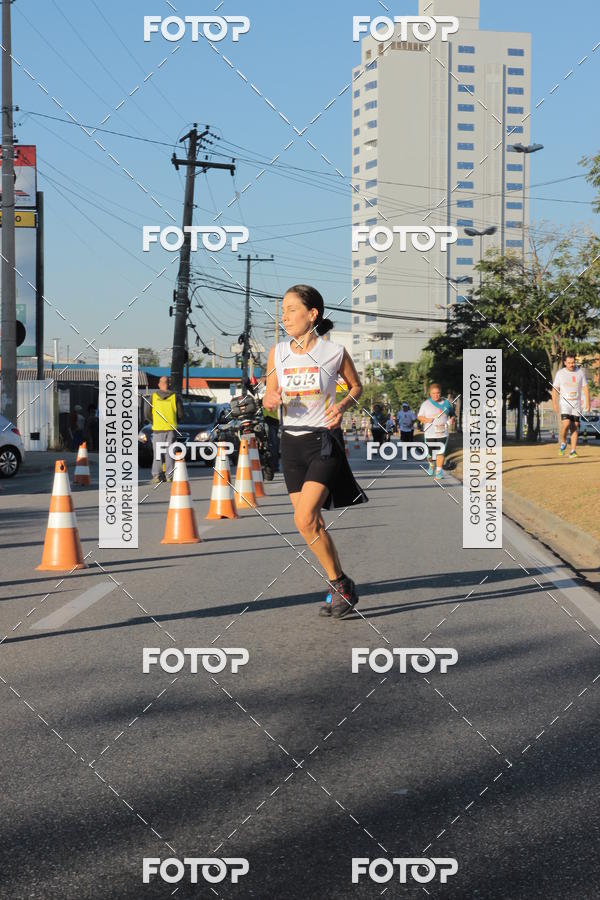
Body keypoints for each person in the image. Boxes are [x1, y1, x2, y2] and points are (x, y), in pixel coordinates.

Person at [263, 284, 368, 620]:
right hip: (291, 444)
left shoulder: (333, 352)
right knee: (310, 523)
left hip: (323, 440)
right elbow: (269, 395)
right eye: (283, 310)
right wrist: (270, 399)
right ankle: (342, 584)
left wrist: (342, 406)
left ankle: (339, 585)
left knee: (304, 517)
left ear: (312, 314)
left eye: (292, 309)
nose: (285, 316)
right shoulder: (278, 352)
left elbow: (356, 386)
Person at [552, 353, 590, 459]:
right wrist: (554, 403)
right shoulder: (560, 374)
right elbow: (555, 389)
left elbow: (585, 388)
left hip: (576, 403)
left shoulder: (580, 373)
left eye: (573, 362)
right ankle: (563, 441)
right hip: (565, 403)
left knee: (575, 426)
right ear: (565, 363)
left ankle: (573, 451)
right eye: (569, 363)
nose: (571, 365)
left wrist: (588, 403)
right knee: (566, 424)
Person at [418, 383, 455, 479]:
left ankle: (439, 472)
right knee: (429, 454)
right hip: (430, 433)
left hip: (443, 432)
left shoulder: (447, 403)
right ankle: (431, 464)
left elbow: (452, 414)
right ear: (430, 393)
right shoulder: (426, 404)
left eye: (438, 393)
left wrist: (452, 419)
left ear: (440, 392)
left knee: (440, 452)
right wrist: (427, 420)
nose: (436, 395)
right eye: (433, 393)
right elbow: (420, 417)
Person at [151, 375, 183, 483]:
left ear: (159, 384)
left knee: (157, 453)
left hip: (157, 429)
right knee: (170, 452)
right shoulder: (175, 396)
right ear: (169, 384)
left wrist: (155, 421)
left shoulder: (153, 396)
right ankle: (170, 475)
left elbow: (147, 413)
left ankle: (157, 475)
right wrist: (174, 421)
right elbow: (180, 414)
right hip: (171, 429)